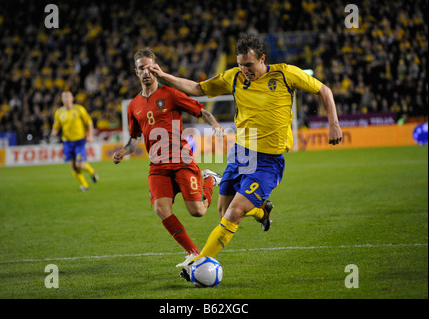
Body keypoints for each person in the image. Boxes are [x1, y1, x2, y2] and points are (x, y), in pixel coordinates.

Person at [147, 35, 343, 281]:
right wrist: (164, 76)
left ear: (262, 59)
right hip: (241, 151)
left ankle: (197, 264)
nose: (244, 70)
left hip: (268, 160)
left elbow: (324, 90)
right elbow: (199, 89)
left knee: (234, 212)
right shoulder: (234, 77)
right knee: (224, 211)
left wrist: (333, 124)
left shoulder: (285, 74)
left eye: (249, 64)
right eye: (240, 64)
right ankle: (262, 212)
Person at [112, 48, 225, 267]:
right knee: (161, 209)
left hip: (181, 161)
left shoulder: (170, 94)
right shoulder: (134, 105)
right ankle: (194, 253)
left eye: (150, 67)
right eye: (141, 68)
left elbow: (200, 111)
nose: (146, 72)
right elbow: (134, 138)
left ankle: (210, 179)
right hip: (158, 166)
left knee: (198, 211)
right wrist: (123, 152)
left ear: (157, 68)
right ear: (136, 72)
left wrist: (216, 125)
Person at [51, 91, 99, 192]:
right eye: (64, 97)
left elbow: (89, 123)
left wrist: (90, 135)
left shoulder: (79, 109)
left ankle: (92, 171)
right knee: (73, 166)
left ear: (72, 98)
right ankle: (84, 186)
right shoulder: (59, 112)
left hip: (79, 141)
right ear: (62, 99)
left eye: (68, 97)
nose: (66, 99)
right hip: (67, 142)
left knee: (80, 165)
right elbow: (56, 126)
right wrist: (54, 132)